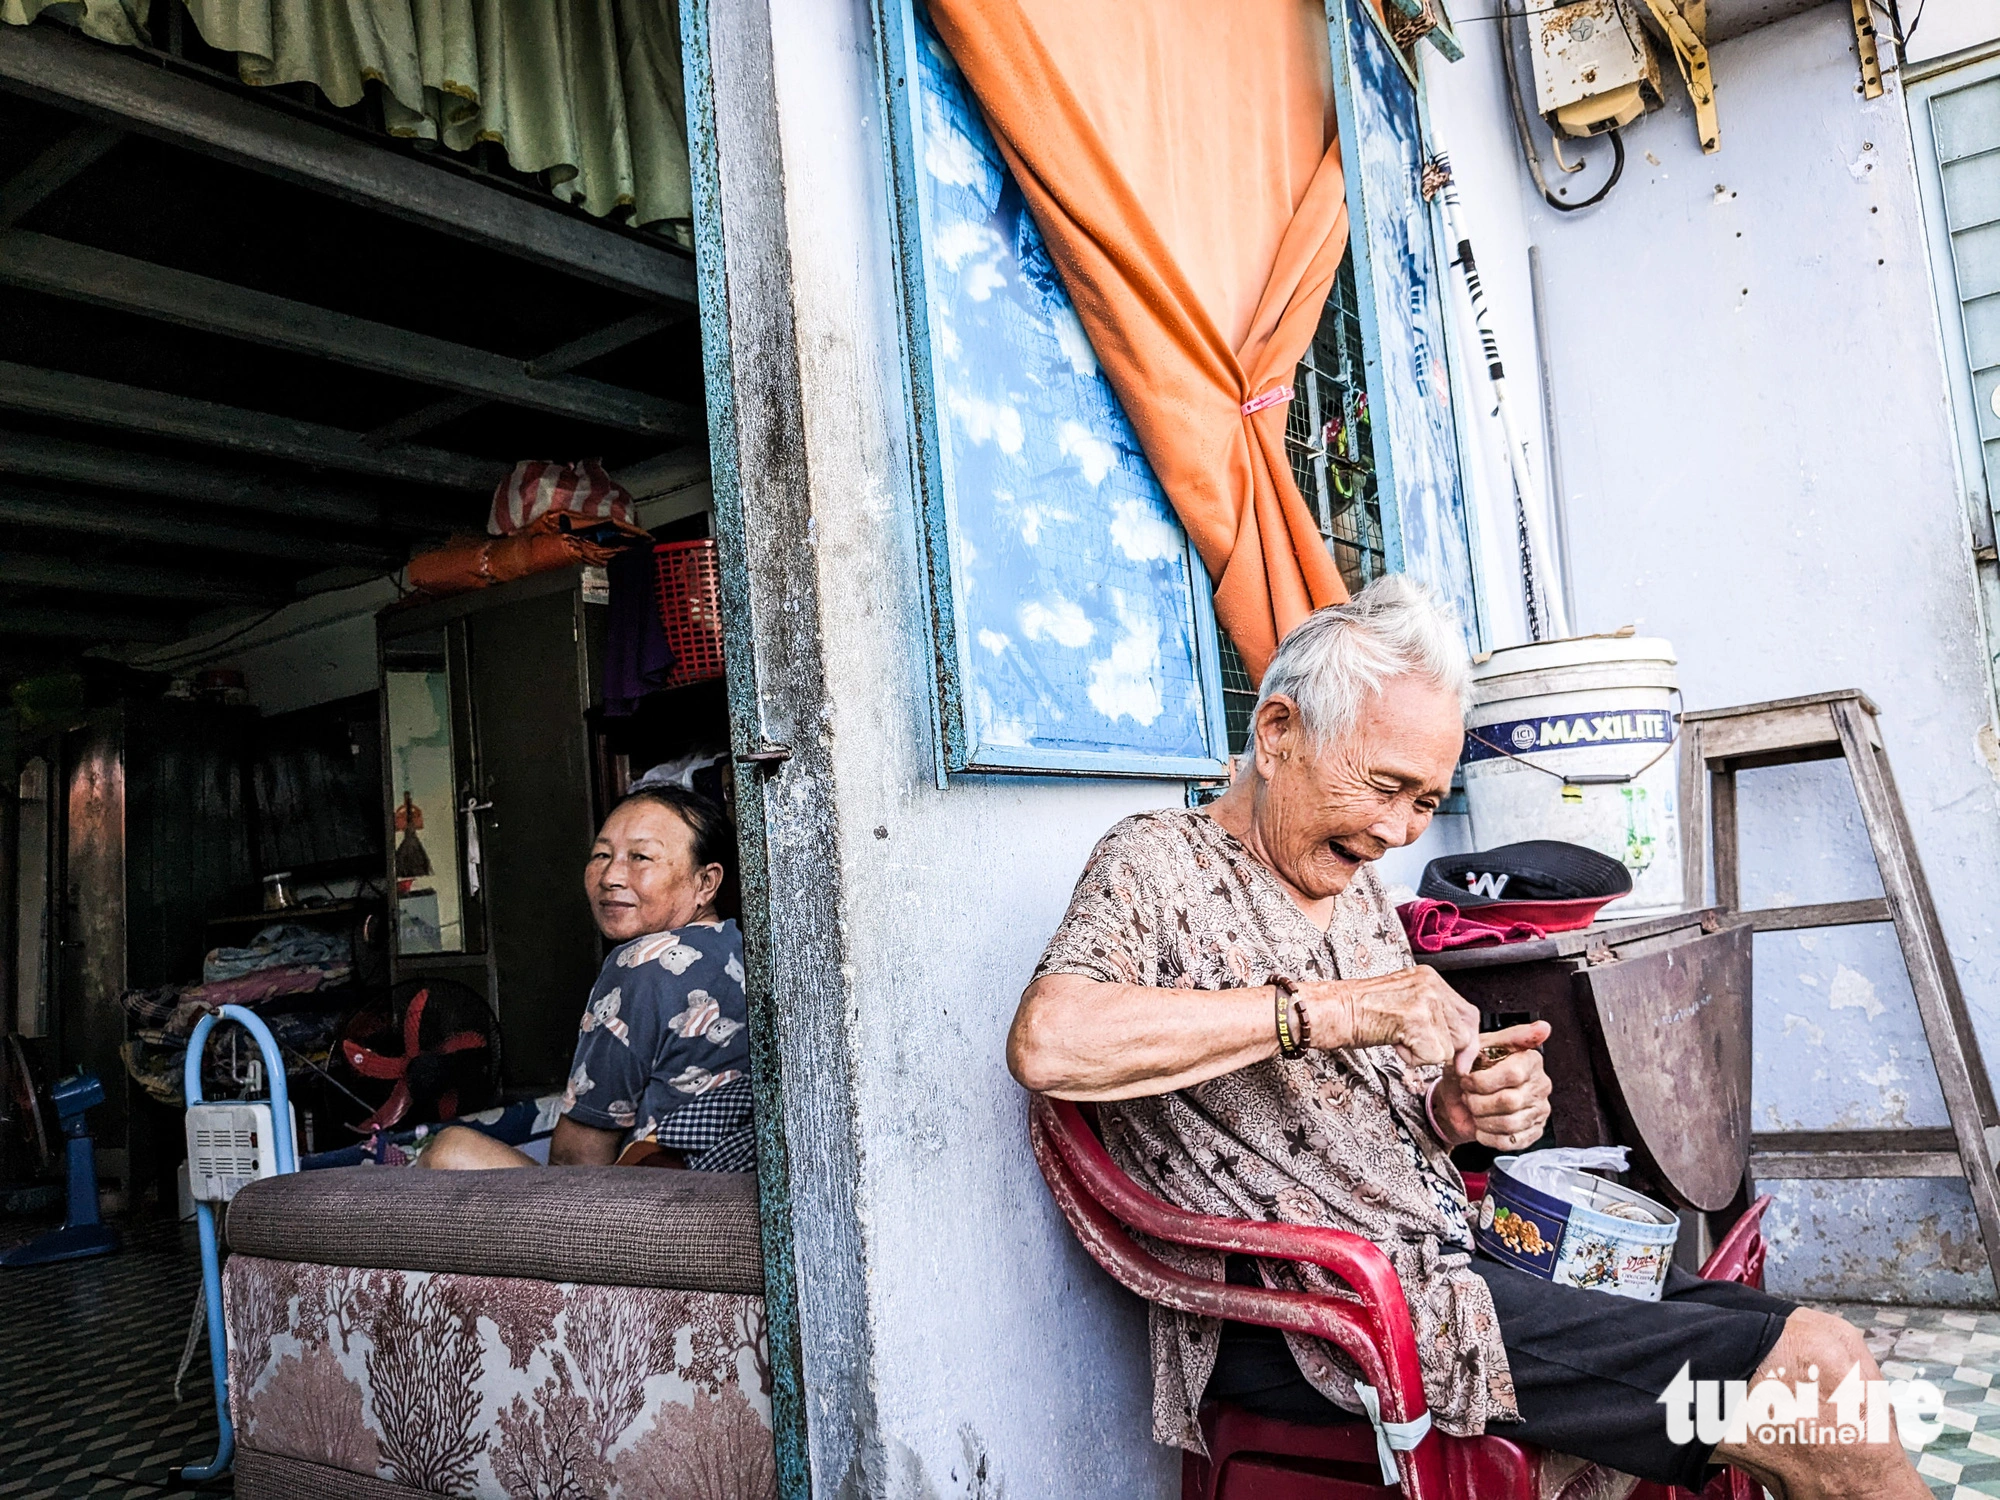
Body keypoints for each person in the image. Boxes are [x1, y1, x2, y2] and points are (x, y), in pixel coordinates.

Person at [1008, 576, 1923, 1499]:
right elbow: (1050, 1041)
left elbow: (1367, 1131)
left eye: (1425, 801)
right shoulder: (1157, 859)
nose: (1397, 831)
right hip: (1324, 1317)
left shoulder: (1351, 890)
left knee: (1821, 1354)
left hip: (1458, 1260)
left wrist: (1457, 1110)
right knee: (1815, 1382)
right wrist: (1340, 1009)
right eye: (1385, 786)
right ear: (1278, 731)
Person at [421, 784, 754, 1173]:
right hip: (724, 1193)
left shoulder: (641, 964)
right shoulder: (738, 945)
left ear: (705, 883)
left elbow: (578, 1161)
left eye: (641, 857)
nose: (610, 875)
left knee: (448, 1149)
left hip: (658, 1212)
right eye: (601, 854)